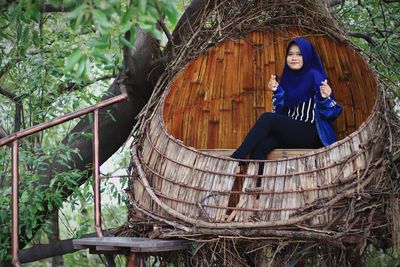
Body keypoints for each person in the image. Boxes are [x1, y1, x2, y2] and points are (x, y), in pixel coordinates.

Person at [231, 37, 342, 173]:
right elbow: (282, 110)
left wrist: (325, 97)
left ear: (307, 56)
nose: (294, 58)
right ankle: (258, 189)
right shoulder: (288, 78)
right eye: (290, 54)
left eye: (299, 54)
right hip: (293, 132)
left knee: (267, 118)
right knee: (260, 146)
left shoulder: (315, 76)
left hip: (311, 133)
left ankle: (236, 159)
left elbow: (331, 113)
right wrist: (277, 91)